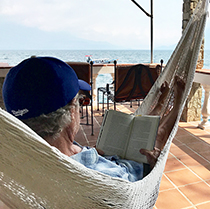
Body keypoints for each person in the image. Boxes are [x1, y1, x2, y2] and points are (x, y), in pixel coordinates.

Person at [2, 56, 185, 182]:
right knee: (156, 136)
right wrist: (154, 168)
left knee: (143, 127)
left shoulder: (19, 164)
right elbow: (131, 186)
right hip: (128, 170)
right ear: (71, 110)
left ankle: (160, 105)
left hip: (100, 159)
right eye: (79, 101)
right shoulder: (99, 177)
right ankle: (176, 104)